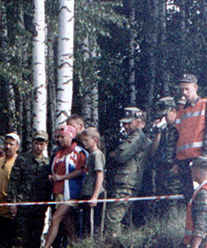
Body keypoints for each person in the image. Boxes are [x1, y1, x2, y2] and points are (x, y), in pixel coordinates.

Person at [40, 125, 86, 248]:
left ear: (71, 136)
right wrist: (53, 177)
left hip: (71, 193)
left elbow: (82, 171)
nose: (58, 140)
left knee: (55, 219)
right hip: (58, 193)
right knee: (67, 223)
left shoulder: (78, 152)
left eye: (62, 137)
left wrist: (62, 177)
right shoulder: (57, 153)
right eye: (56, 137)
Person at [104, 108, 148, 236]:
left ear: (139, 121)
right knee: (125, 221)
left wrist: (113, 154)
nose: (125, 126)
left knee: (112, 219)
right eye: (124, 123)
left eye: (129, 123)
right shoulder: (132, 137)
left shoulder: (137, 136)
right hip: (126, 182)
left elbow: (120, 156)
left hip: (125, 183)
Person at [173, 74, 207, 197]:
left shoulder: (206, 104)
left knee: (203, 195)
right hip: (183, 161)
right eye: (182, 89)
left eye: (187, 89)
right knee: (189, 197)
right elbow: (175, 137)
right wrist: (175, 161)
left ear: (195, 87)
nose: (184, 93)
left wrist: (206, 156)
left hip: (200, 158)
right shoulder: (181, 112)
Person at [7, 131, 51, 248]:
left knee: (36, 237)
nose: (39, 146)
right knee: (20, 238)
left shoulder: (48, 163)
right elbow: (13, 181)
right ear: (32, 143)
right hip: (23, 206)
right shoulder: (22, 159)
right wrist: (12, 202)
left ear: (46, 144)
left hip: (39, 207)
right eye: (36, 143)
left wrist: (47, 204)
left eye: (42, 144)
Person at [146, 96, 182, 222]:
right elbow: (152, 152)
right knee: (162, 201)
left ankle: (173, 225)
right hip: (162, 169)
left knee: (173, 202)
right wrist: (158, 134)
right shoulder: (163, 129)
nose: (163, 118)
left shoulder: (180, 127)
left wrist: (178, 165)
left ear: (173, 111)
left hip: (175, 169)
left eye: (165, 115)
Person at [0, 133, 20, 248]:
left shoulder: (19, 162)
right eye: (6, 144)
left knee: (11, 243)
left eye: (11, 144)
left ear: (17, 147)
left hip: (11, 210)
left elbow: (21, 185)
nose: (8, 146)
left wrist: (15, 202)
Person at [77, 128, 105, 237]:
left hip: (93, 193)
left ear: (95, 140)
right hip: (86, 192)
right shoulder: (90, 154)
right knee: (86, 225)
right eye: (83, 141)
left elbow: (100, 174)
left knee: (93, 226)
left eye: (86, 140)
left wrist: (95, 196)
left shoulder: (96, 154)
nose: (84, 143)